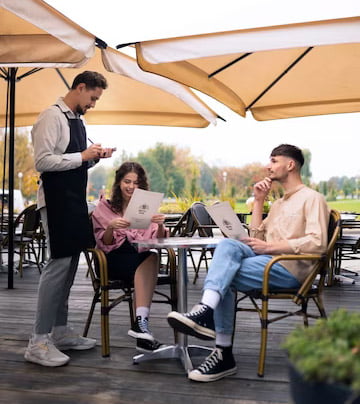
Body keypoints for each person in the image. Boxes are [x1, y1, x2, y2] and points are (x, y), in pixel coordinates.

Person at [167, 144, 329, 382]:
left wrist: (270, 248)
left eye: (274, 161)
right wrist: (258, 201)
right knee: (227, 246)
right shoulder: (278, 204)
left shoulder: (312, 198)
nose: (268, 165)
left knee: (225, 273)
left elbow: (318, 242)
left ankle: (220, 345)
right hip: (267, 262)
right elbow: (259, 238)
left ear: (290, 164)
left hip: (290, 269)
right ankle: (208, 312)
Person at [25, 71, 115, 367]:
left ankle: (61, 333)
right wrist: (82, 156)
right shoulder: (51, 117)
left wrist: (94, 156)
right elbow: (42, 161)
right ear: (80, 88)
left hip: (74, 201)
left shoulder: (78, 119)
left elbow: (76, 157)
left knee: (70, 266)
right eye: (93, 97)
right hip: (55, 201)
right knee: (58, 265)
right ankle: (38, 341)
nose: (93, 104)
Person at [92, 161, 168, 353]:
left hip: (138, 257)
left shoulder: (145, 209)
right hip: (112, 260)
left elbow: (158, 241)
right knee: (150, 259)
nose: (131, 187)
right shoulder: (105, 208)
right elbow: (105, 243)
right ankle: (141, 325)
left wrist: (159, 225)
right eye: (127, 181)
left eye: (136, 183)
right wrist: (110, 227)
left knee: (152, 256)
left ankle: (141, 324)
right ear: (119, 182)